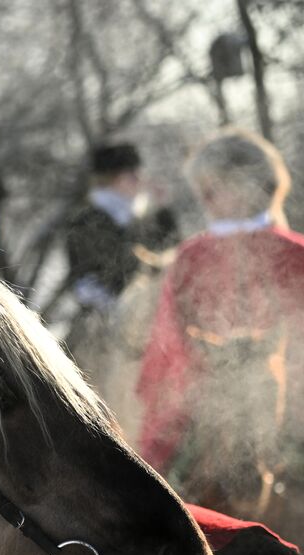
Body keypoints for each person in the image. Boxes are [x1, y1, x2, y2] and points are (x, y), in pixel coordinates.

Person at [137, 128, 304, 515]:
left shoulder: (297, 254)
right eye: (201, 186)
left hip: (287, 406)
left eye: (214, 184)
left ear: (253, 183)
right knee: (160, 498)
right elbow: (168, 341)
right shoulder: (191, 255)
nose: (204, 196)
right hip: (203, 406)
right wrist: (198, 380)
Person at [59, 142, 178, 320]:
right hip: (104, 318)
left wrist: (163, 210)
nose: (140, 181)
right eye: (133, 175)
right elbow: (114, 269)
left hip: (138, 313)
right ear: (113, 179)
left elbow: (170, 248)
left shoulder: (133, 217)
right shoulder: (89, 220)